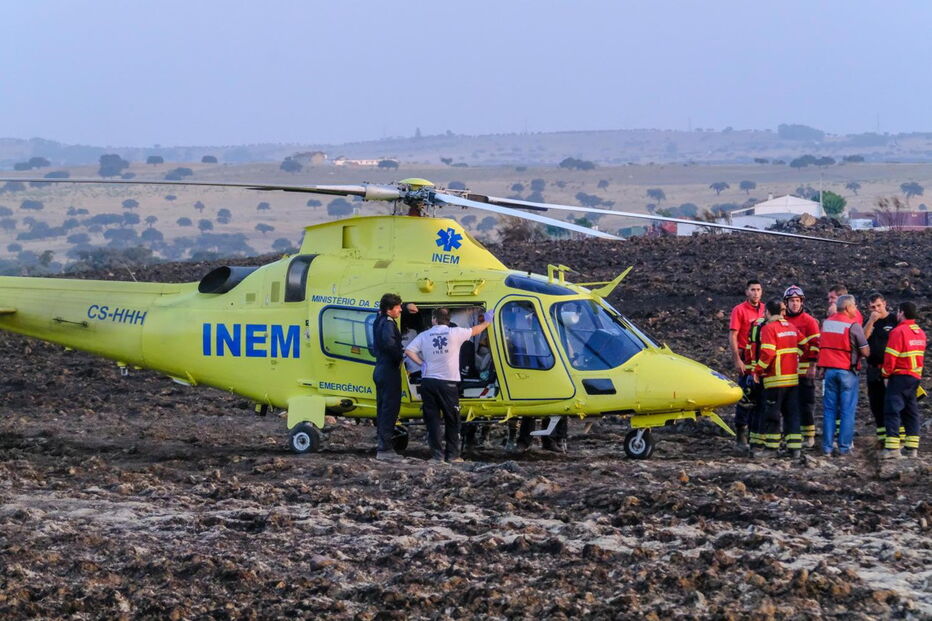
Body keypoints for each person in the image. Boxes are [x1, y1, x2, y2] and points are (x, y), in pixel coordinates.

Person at [405, 307, 491, 462]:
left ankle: (437, 456)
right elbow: (475, 330)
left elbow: (409, 351)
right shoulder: (455, 333)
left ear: (433, 320)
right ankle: (452, 455)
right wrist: (487, 322)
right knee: (452, 420)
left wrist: (422, 363)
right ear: (449, 320)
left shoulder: (424, 335)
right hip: (448, 383)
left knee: (433, 420)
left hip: (428, 381)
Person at [816, 294, 869, 457]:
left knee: (829, 410)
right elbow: (865, 351)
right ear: (847, 308)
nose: (856, 309)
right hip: (847, 372)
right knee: (847, 410)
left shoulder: (827, 323)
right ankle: (844, 447)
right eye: (854, 306)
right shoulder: (853, 325)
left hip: (829, 372)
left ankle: (827, 448)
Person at [750, 298, 803, 459]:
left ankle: (771, 449)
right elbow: (803, 345)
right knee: (792, 414)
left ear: (767, 312)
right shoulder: (792, 327)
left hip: (775, 379)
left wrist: (757, 370)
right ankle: (795, 449)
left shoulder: (769, 328)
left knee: (772, 414)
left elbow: (768, 353)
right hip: (792, 379)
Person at [880, 302, 926, 459]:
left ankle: (893, 448)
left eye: (898, 312)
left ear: (901, 313)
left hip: (899, 377)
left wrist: (885, 375)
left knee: (892, 410)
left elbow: (891, 357)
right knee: (911, 411)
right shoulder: (920, 332)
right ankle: (912, 448)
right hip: (914, 378)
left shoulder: (898, 332)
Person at [782, 286, 820, 447]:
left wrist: (812, 366)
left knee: (806, 404)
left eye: (797, 301)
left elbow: (816, 345)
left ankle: (809, 436)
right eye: (792, 301)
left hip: (804, 372)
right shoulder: (783, 321)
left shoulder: (809, 321)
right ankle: (792, 435)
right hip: (787, 372)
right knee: (789, 405)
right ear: (786, 303)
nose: (795, 304)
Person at [728, 279, 765, 448]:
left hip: (761, 358)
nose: (755, 293)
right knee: (745, 395)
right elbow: (733, 335)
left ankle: (754, 432)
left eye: (758, 289)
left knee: (759, 397)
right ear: (746, 292)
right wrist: (737, 359)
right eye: (752, 289)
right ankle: (741, 431)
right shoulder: (739, 310)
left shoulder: (765, 309)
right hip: (745, 357)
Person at [863, 292, 900, 445]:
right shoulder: (869, 321)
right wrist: (871, 322)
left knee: (893, 404)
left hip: (891, 370)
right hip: (873, 369)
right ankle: (882, 437)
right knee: (876, 404)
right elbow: (862, 340)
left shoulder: (894, 320)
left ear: (885, 303)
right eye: (873, 307)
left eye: (878, 305)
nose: (876, 309)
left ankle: (897, 436)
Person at [373, 293, 405, 461]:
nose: (400, 309)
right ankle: (385, 448)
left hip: (380, 369)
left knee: (382, 407)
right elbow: (390, 344)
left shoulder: (380, 320)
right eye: (398, 307)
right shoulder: (387, 325)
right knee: (390, 409)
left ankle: (383, 442)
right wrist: (401, 356)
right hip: (389, 370)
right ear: (389, 309)